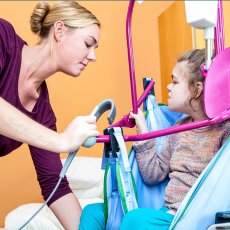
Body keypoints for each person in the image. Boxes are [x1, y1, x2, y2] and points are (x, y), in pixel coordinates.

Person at [79, 49, 230, 230]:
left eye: (174, 81)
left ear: (197, 90)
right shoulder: (180, 128)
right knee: (93, 212)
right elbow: (153, 174)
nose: (168, 86)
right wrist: (143, 132)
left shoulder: (224, 131)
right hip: (165, 215)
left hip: (190, 220)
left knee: (135, 220)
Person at [0, 1, 100, 229]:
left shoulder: (43, 112)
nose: (93, 56)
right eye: (88, 44)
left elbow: (54, 185)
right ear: (59, 30)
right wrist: (61, 141)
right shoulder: (2, 36)